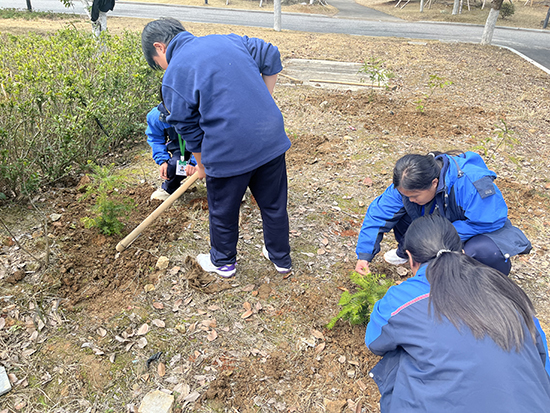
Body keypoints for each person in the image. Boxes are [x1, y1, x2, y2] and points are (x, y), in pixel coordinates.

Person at [141, 18, 292, 278]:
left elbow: (187, 128)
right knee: (274, 204)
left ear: (160, 47)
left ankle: (223, 262)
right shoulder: (228, 40)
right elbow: (271, 54)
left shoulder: (174, 74)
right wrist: (265, 99)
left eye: (158, 63)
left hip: (227, 149)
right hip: (269, 138)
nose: (163, 68)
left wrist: (201, 165)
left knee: (223, 209)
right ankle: (281, 258)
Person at [365, 214, 550, 413]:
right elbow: (542, 358)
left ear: (410, 259)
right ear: (462, 250)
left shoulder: (404, 298)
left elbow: (374, 341)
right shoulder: (504, 288)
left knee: (398, 354)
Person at [355, 150, 531, 276]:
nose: (410, 199)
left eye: (415, 195)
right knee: (400, 213)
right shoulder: (406, 185)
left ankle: (486, 283)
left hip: (474, 232)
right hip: (442, 226)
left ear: (434, 183)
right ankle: (414, 256)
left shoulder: (471, 182)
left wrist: (445, 237)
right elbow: (378, 215)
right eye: (406, 195)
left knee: (483, 251)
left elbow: (490, 221)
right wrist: (364, 255)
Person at [146, 102, 197, 201]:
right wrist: (162, 160)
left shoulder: (199, 111)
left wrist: (196, 163)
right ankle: (169, 189)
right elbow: (156, 139)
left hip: (205, 146)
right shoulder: (156, 116)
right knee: (172, 167)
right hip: (181, 148)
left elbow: (210, 137)